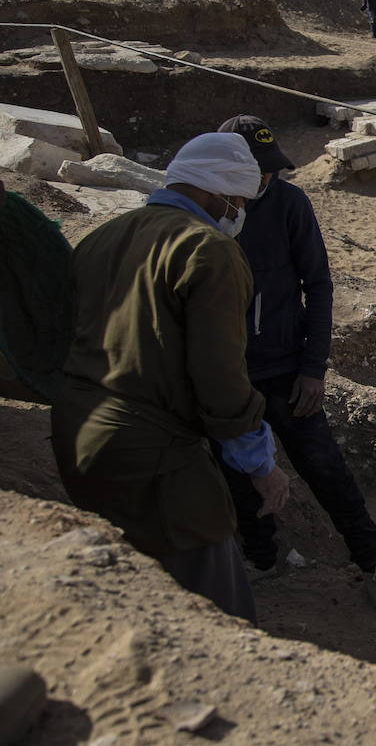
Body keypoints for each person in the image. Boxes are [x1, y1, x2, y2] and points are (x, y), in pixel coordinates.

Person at [50, 132, 292, 625]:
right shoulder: (209, 252)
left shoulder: (102, 237)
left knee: (132, 590)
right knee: (212, 604)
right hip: (150, 453)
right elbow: (220, 377)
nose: (239, 211)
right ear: (214, 192)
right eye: (239, 200)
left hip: (75, 431)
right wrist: (260, 463)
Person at [213, 114, 376, 614]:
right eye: (256, 170)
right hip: (227, 375)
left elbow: (317, 285)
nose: (265, 179)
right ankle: (262, 559)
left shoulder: (290, 204)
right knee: (237, 474)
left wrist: (313, 368)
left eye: (270, 169)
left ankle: (370, 562)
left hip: (284, 370)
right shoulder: (208, 211)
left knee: (325, 470)